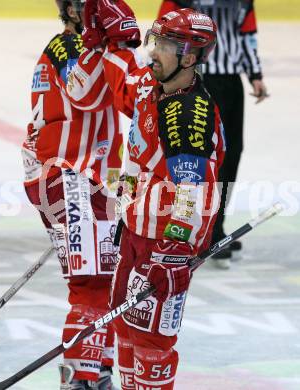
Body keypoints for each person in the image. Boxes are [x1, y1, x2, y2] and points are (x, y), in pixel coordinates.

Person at [82, 2, 225, 389]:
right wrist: (113, 43)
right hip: (135, 231)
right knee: (124, 327)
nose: (152, 51)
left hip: (164, 243)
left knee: (151, 341)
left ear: (190, 56)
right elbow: (124, 90)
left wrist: (174, 252)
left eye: (163, 45)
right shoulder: (152, 85)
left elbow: (194, 191)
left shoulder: (188, 113)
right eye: (154, 40)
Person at [22, 1, 123, 388]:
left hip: (90, 177)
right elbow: (89, 96)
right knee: (92, 283)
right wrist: (109, 45)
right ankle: (78, 379)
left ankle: (98, 371)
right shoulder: (66, 47)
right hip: (67, 177)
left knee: (111, 279)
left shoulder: (89, 45)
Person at [158, 0, 269, 269]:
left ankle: (215, 228)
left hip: (230, 82)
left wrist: (254, 73)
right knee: (194, 159)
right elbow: (164, 33)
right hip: (196, 80)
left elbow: (247, 33)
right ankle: (195, 230)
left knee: (229, 156)